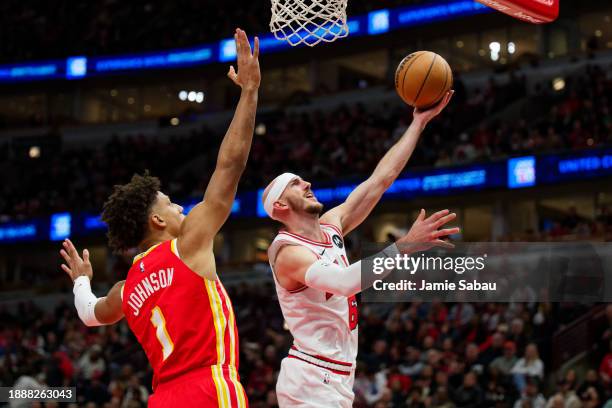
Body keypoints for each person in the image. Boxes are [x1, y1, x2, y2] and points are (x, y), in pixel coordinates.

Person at [59, 28, 260, 408]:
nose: (181, 208)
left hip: (163, 398)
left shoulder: (126, 288)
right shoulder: (188, 246)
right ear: (158, 222)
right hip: (208, 387)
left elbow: (89, 313)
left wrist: (82, 283)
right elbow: (230, 166)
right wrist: (249, 92)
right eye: (171, 205)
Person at [262, 91, 458, 407]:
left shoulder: (331, 226)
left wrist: (418, 123)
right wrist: (404, 246)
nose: (307, 184)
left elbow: (380, 180)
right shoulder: (287, 253)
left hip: (336, 377)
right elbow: (345, 283)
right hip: (311, 378)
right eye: (296, 184)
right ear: (281, 204)